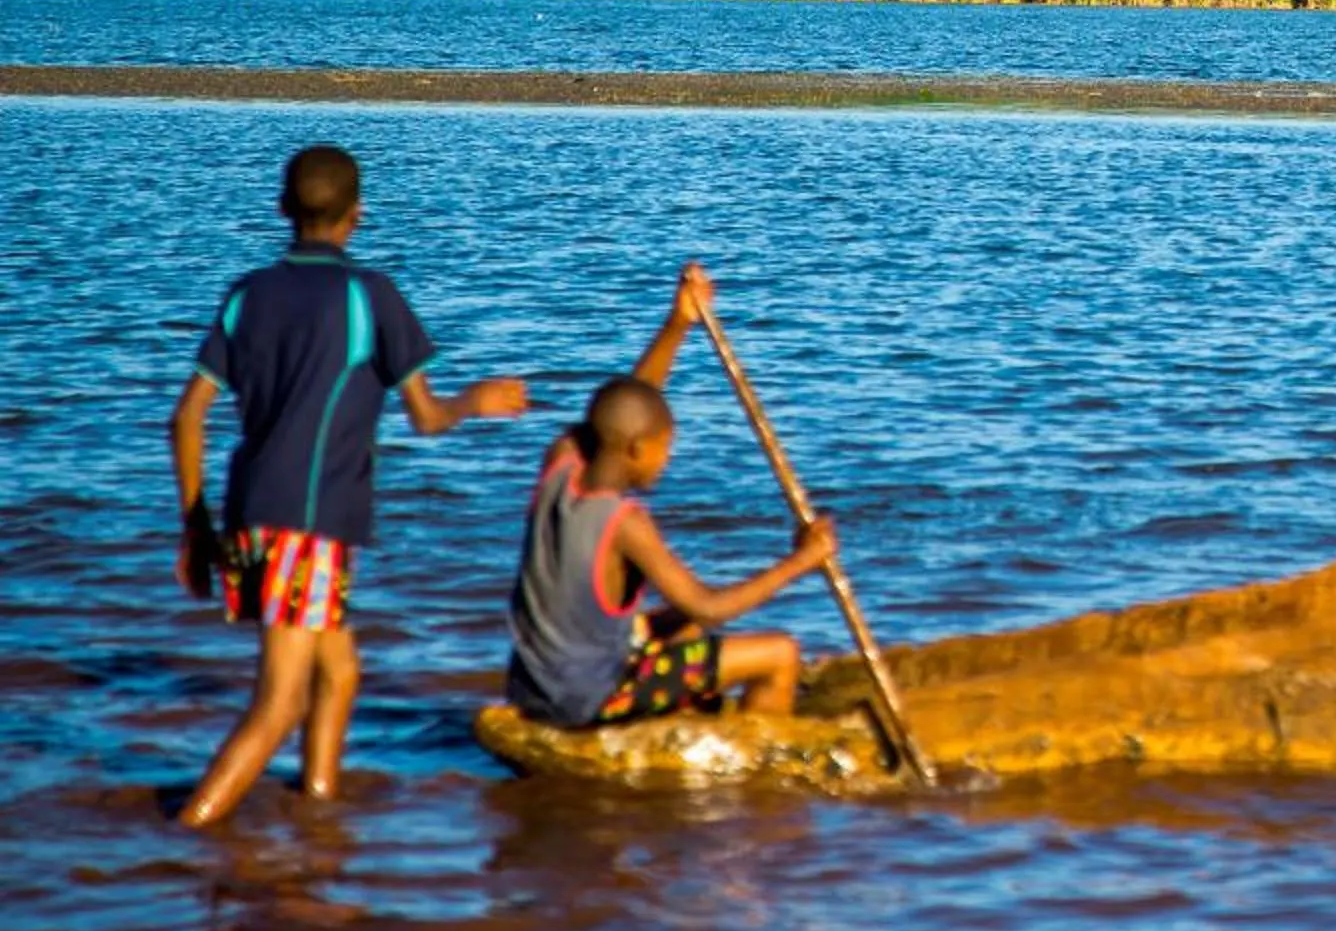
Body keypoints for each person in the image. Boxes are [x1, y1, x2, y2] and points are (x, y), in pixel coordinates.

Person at [168, 144, 530, 828]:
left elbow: (186, 417)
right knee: (279, 704)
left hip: (248, 515)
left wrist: (196, 526)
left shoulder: (248, 294)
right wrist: (474, 402)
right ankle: (189, 836)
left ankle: (319, 817)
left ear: (283, 208)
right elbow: (426, 416)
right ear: (357, 215)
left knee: (339, 673)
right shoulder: (370, 296)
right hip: (307, 524)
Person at [504, 263, 836, 729]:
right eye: (665, 448)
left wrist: (678, 323)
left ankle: (686, 712)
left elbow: (628, 404)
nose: (667, 459)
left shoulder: (560, 460)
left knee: (686, 625)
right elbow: (711, 605)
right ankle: (751, 762)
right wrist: (801, 561)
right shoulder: (624, 522)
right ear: (637, 450)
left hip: (533, 682)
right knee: (780, 653)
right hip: (584, 699)